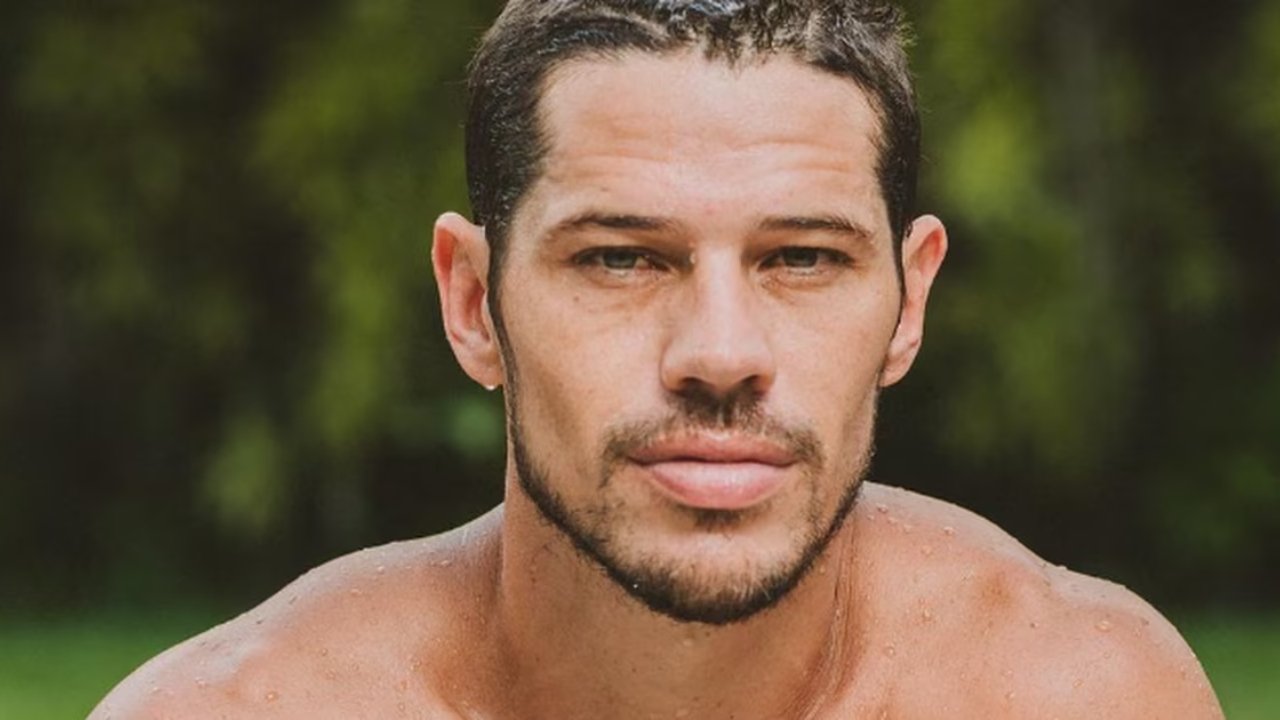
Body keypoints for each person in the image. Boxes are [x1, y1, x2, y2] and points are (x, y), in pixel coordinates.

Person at [93, 1, 1224, 717]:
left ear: (907, 300)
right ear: (473, 303)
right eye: (621, 259)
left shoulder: (1076, 694)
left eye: (802, 258)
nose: (720, 355)